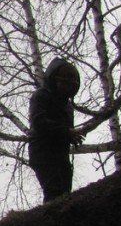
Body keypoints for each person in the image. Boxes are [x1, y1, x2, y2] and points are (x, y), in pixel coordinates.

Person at [28, 58, 84, 203]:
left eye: (70, 84)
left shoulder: (67, 106)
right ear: (54, 79)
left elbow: (66, 130)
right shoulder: (41, 95)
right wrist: (66, 132)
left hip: (61, 154)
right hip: (43, 151)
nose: (67, 87)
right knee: (54, 190)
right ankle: (51, 215)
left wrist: (72, 137)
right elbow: (39, 122)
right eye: (64, 82)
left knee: (65, 191)